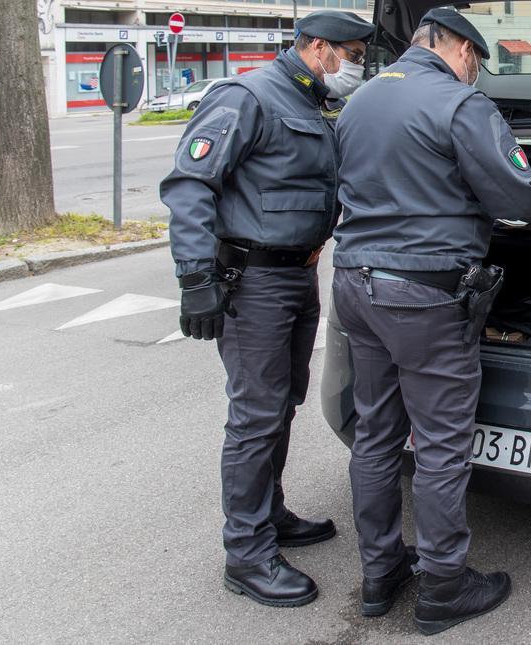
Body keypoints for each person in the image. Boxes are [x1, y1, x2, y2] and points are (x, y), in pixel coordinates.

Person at [331, 8, 531, 635]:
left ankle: (382, 573)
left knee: (377, 433)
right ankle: (443, 584)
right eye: (476, 62)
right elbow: (523, 196)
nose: (474, 73)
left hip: (356, 284)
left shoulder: (361, 100)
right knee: (440, 443)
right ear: (459, 48)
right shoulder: (462, 106)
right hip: (423, 296)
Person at [159, 10, 374, 608]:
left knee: (283, 402)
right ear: (319, 48)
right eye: (351, 53)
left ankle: (269, 515)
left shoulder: (310, 105)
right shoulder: (248, 95)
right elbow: (190, 184)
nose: (356, 65)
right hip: (251, 281)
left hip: (297, 277)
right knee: (255, 414)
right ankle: (246, 553)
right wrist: (196, 276)